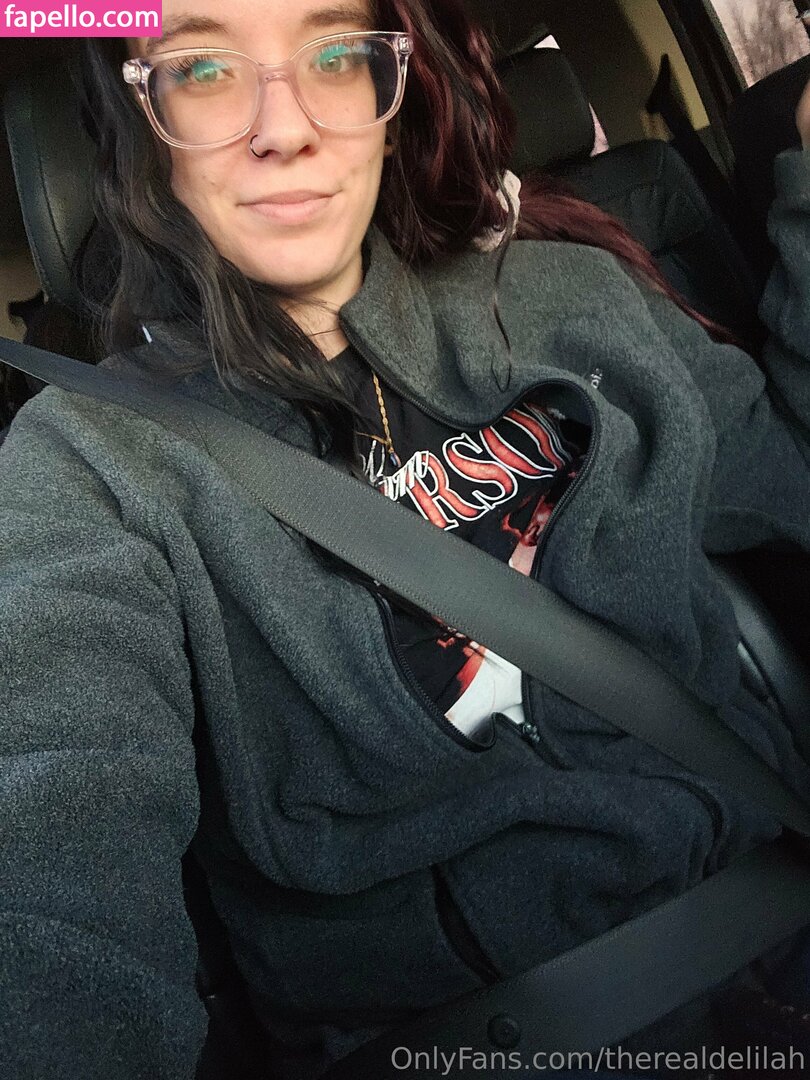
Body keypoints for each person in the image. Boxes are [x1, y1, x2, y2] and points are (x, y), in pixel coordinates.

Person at [1, 1, 810, 1077]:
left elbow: (793, 480)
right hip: (476, 1040)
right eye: (203, 68)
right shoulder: (91, 466)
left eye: (335, 53)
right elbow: (54, 815)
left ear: (392, 94)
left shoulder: (573, 298)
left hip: (772, 903)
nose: (285, 128)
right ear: (140, 126)